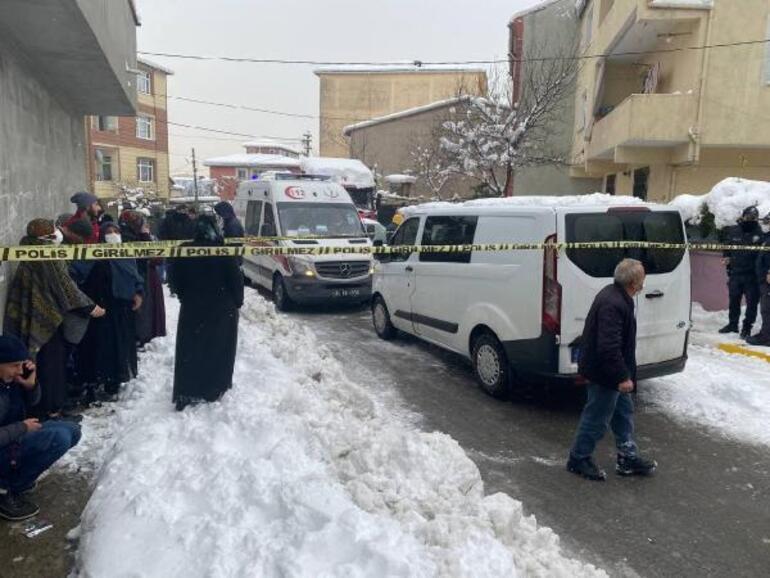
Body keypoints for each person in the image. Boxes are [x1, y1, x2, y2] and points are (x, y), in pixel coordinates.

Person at [4, 219, 105, 421]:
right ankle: (50, 411)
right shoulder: (45, 254)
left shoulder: (29, 249)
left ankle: (49, 408)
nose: (56, 234)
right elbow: (65, 287)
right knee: (50, 365)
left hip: (35, 314)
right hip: (45, 319)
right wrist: (91, 307)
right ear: (45, 236)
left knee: (46, 364)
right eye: (52, 232)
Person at [567, 259, 657, 481]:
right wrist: (622, 376)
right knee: (596, 417)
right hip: (605, 373)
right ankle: (578, 458)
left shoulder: (616, 295)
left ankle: (627, 457)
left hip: (611, 371)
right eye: (642, 278)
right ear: (635, 282)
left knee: (623, 414)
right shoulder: (613, 303)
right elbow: (608, 347)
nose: (644, 282)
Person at [0, 335, 81, 521]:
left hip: (11, 439)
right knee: (58, 438)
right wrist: (21, 428)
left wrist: (31, 386)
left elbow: (35, 404)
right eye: (14, 365)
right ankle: (5, 489)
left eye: (22, 364)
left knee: (72, 430)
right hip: (8, 440)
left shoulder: (8, 381)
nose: (19, 370)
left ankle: (16, 480)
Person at [169, 215, 244, 411]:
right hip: (221, 309)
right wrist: (237, 302)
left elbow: (174, 279)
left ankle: (188, 389)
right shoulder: (222, 250)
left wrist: (185, 296)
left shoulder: (183, 249)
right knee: (218, 349)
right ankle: (213, 388)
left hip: (192, 308)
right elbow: (235, 279)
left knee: (191, 349)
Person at [70, 223, 144, 399]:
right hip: (98, 308)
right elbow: (75, 273)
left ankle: (114, 380)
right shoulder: (93, 252)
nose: (113, 235)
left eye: (116, 232)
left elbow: (136, 276)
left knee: (119, 344)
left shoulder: (125, 253)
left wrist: (138, 292)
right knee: (97, 345)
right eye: (108, 232)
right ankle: (94, 380)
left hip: (121, 308)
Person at [120, 211, 167, 346]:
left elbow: (158, 257)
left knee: (147, 307)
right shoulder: (129, 237)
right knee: (142, 308)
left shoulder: (144, 236)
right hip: (140, 276)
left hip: (149, 275)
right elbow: (147, 256)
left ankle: (147, 333)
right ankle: (141, 334)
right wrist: (145, 237)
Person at [720, 206, 763, 338]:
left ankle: (746, 328)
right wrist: (726, 256)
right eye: (748, 216)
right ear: (743, 216)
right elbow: (727, 246)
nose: (750, 219)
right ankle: (732, 324)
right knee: (734, 300)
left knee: (751, 304)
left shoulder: (760, 233)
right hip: (735, 273)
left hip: (752, 276)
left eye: (753, 217)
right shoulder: (734, 230)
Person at [747, 213, 770, 346]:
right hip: (763, 279)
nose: (765, 224)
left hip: (768, 279)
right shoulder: (767, 237)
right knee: (766, 309)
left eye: (767, 222)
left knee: (767, 309)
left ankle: (766, 337)